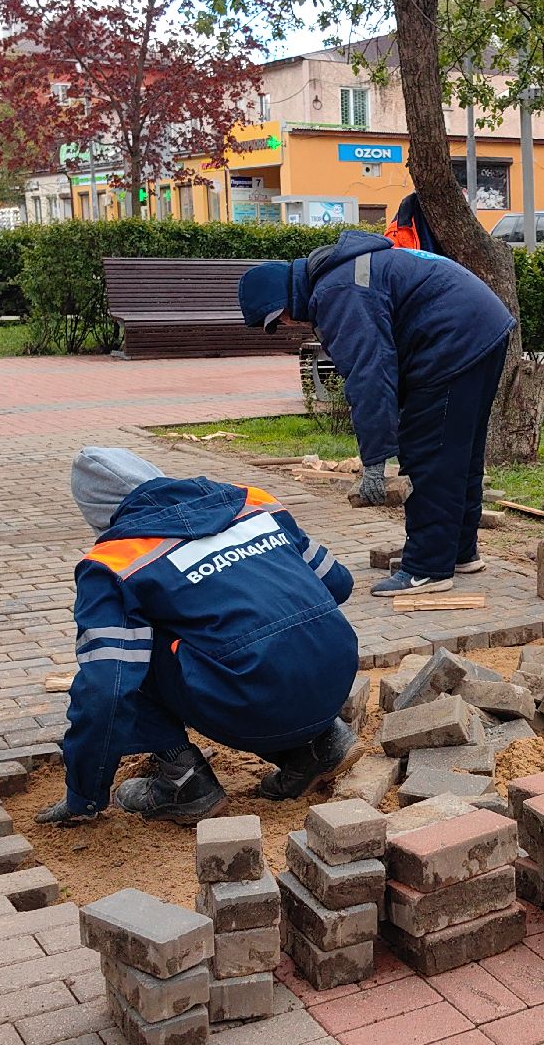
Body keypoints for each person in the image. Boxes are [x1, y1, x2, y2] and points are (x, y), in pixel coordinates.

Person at [35, 448, 362, 826]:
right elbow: (338, 582)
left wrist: (84, 794)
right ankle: (320, 744)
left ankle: (183, 782)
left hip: (253, 700)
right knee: (263, 633)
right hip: (336, 674)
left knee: (124, 658)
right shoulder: (255, 503)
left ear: (98, 515)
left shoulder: (114, 561)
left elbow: (106, 690)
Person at [238, 231, 516, 596]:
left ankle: (428, 569)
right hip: (482, 328)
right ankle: (459, 552)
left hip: (454, 337)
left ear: (283, 301)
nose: (288, 325)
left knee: (429, 452)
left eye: (281, 319)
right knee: (458, 450)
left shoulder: (338, 292)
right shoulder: (345, 274)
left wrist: (374, 462)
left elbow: (369, 375)